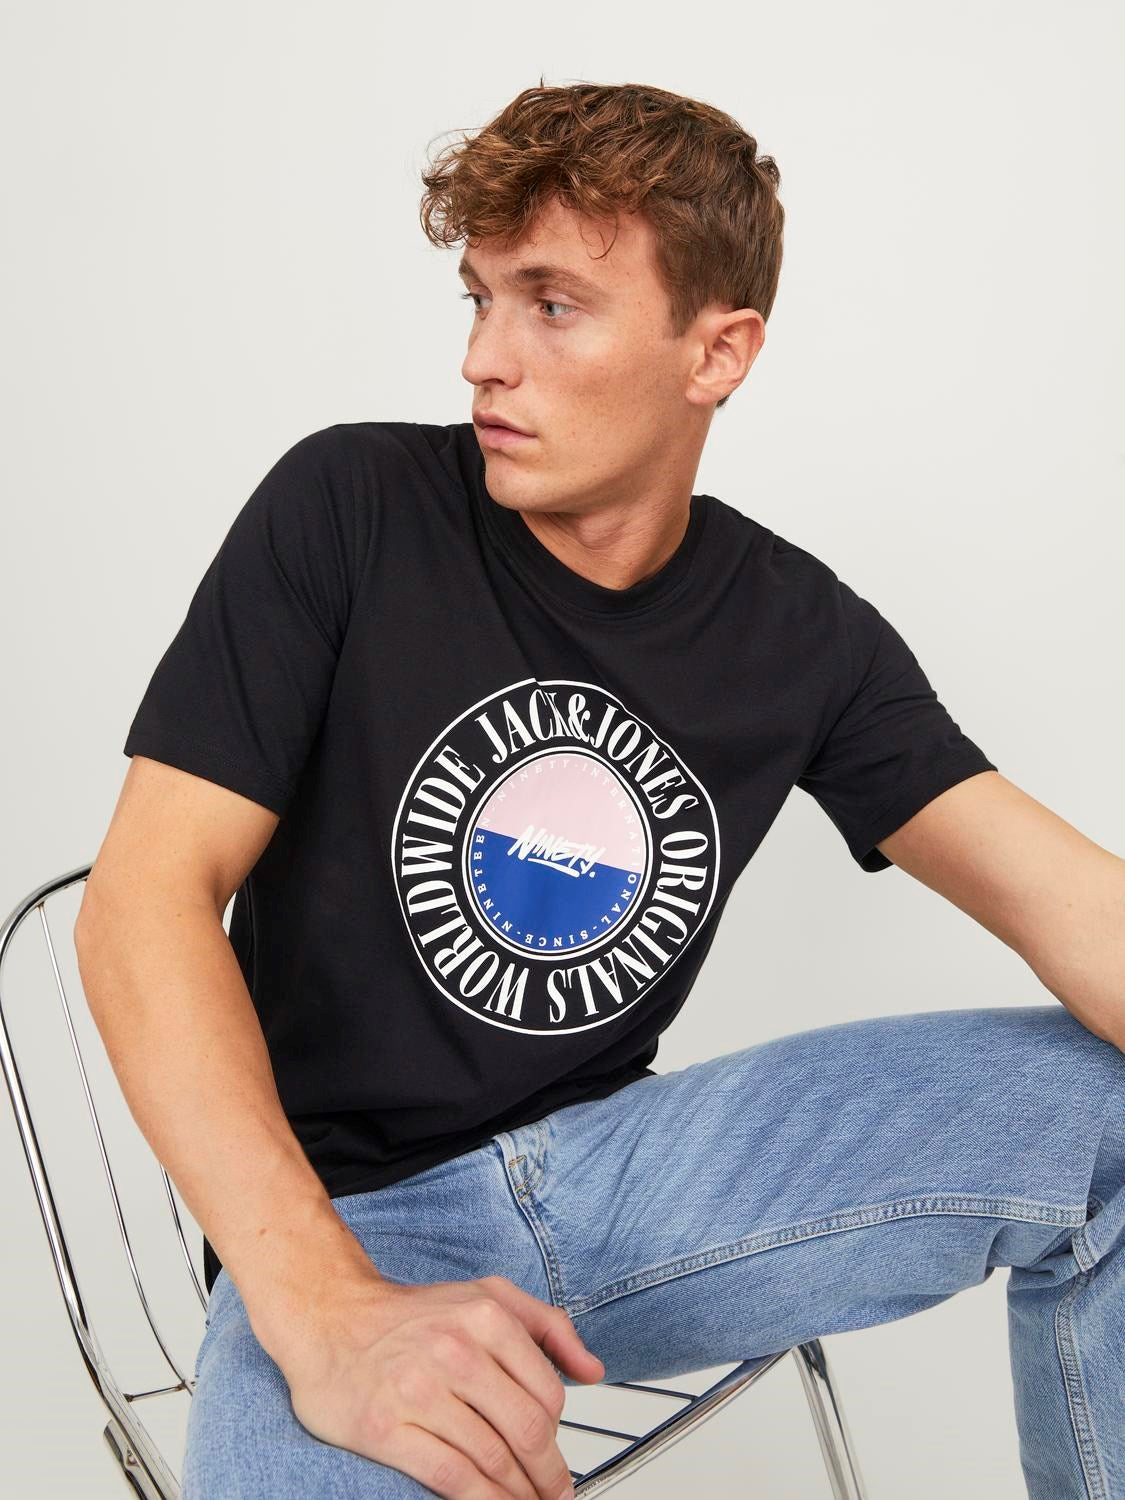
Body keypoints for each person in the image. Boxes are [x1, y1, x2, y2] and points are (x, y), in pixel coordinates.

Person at [75, 80, 1124, 1500]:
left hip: (633, 1176)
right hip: (347, 1224)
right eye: (480, 298)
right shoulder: (350, 509)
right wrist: (322, 1306)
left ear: (717, 352)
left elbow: (1075, 909)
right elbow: (141, 905)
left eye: (552, 305)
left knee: (1109, 1110)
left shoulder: (796, 631)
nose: (483, 361)